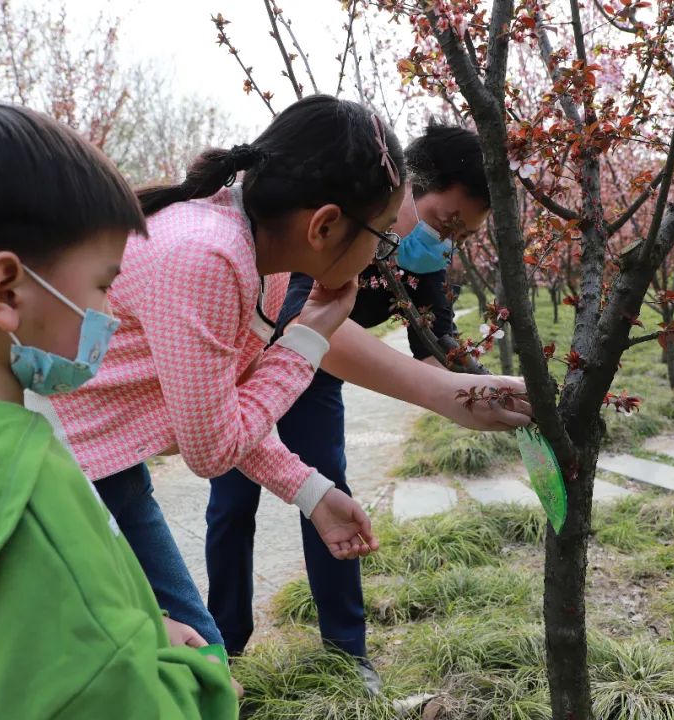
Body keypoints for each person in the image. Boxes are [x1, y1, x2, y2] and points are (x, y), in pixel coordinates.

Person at [30, 96, 531, 678]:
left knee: (201, 669)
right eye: (380, 237)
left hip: (107, 467)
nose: (383, 255)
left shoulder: (251, 262)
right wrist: (306, 342)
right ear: (324, 225)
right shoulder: (209, 257)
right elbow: (212, 449)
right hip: (57, 478)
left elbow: (231, 409)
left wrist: (311, 494)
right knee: (179, 676)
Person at [0, 103, 238, 719]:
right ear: (7, 291)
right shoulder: (32, 489)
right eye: (103, 284)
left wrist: (141, 627)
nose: (110, 313)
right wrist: (200, 682)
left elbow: (1, 651)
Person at [206, 123, 493, 692]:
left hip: (314, 381)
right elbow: (302, 326)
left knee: (328, 496)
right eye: (444, 222)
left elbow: (436, 348)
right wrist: (436, 392)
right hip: (247, 372)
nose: (446, 240)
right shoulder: (341, 228)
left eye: (462, 234)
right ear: (408, 188)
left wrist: (490, 390)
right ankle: (224, 643)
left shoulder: (423, 262)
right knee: (231, 507)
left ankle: (347, 652)